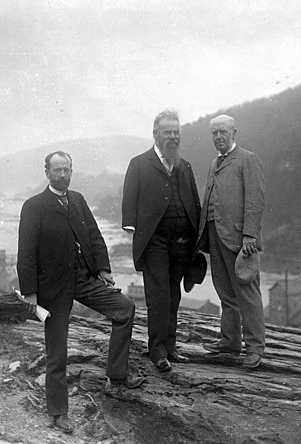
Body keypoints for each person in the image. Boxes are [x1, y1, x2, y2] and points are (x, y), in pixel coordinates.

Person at [17, 151, 145, 434]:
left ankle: (117, 377)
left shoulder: (78, 200)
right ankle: (59, 412)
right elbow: (25, 253)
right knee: (57, 352)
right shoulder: (34, 206)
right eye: (57, 170)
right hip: (53, 287)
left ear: (72, 171)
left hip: (84, 278)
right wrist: (30, 292)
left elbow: (95, 235)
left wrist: (103, 269)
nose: (63, 175)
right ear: (47, 172)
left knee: (125, 309)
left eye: (67, 170)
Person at [122, 110, 201, 373]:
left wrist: (196, 237)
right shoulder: (139, 163)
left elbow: (194, 202)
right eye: (167, 132)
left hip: (181, 242)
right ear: (156, 134)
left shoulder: (184, 166)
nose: (173, 137)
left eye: (176, 132)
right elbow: (129, 199)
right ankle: (157, 351)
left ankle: (171, 347)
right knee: (158, 295)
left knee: (174, 294)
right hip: (154, 241)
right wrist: (133, 229)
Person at [197, 114, 266, 369]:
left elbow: (256, 200)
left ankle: (255, 348)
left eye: (223, 132)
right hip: (215, 235)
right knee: (225, 291)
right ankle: (230, 342)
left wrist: (249, 235)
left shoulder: (248, 159)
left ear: (234, 133)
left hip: (240, 239)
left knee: (247, 292)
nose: (218, 137)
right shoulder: (214, 163)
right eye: (214, 133)